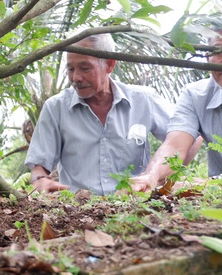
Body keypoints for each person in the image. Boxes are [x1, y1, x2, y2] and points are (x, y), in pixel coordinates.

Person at [24, 33, 175, 195]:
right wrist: (40, 181)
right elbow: (39, 165)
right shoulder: (55, 108)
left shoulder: (144, 100)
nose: (76, 77)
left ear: (109, 65)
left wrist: (156, 176)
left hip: (135, 207)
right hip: (78, 210)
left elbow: (186, 139)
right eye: (70, 69)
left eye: (85, 68)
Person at [131, 13, 222, 192]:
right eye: (218, 51)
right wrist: (151, 176)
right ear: (207, 56)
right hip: (219, 210)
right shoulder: (195, 94)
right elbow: (174, 145)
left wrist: (211, 185)